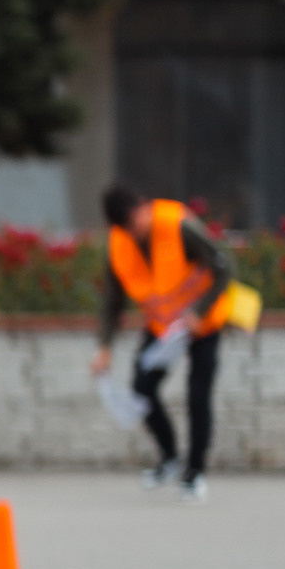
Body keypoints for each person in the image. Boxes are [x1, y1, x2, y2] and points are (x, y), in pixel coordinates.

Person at [90, 183, 233, 503]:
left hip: (202, 324)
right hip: (164, 327)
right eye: (125, 227)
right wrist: (104, 347)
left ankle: (194, 473)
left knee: (198, 396)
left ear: (142, 207)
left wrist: (199, 311)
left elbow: (223, 266)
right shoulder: (119, 244)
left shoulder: (176, 224)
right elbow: (113, 301)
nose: (133, 230)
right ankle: (170, 457)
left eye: (134, 221)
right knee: (142, 388)